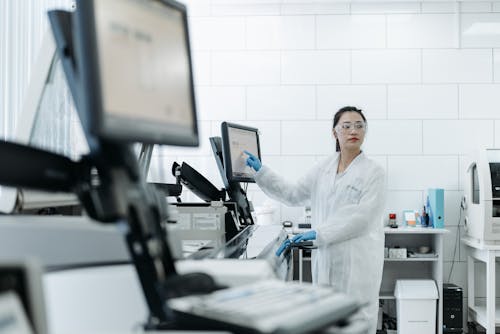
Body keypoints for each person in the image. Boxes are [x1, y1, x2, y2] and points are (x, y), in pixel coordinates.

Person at [244, 106, 386, 333]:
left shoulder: (374, 172)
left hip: (357, 266)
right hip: (327, 260)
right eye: (346, 126)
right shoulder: (324, 168)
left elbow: (362, 218)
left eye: (359, 126)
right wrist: (262, 172)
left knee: (356, 323)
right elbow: (293, 193)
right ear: (335, 133)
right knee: (327, 321)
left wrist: (319, 234)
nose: (353, 131)